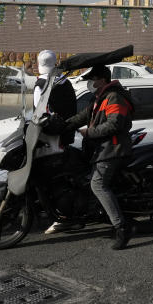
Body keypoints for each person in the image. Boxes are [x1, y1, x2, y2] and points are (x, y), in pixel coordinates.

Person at [61, 64, 136, 249]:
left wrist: (89, 132)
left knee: (98, 184)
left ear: (102, 79)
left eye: (92, 79)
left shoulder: (114, 97)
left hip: (113, 148)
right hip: (101, 147)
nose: (90, 83)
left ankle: (122, 228)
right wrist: (61, 125)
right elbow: (82, 116)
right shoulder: (99, 98)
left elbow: (114, 125)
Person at [32, 50, 77, 146]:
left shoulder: (40, 85)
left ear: (39, 64)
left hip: (48, 138)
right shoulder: (67, 83)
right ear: (55, 63)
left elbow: (38, 112)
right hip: (66, 134)